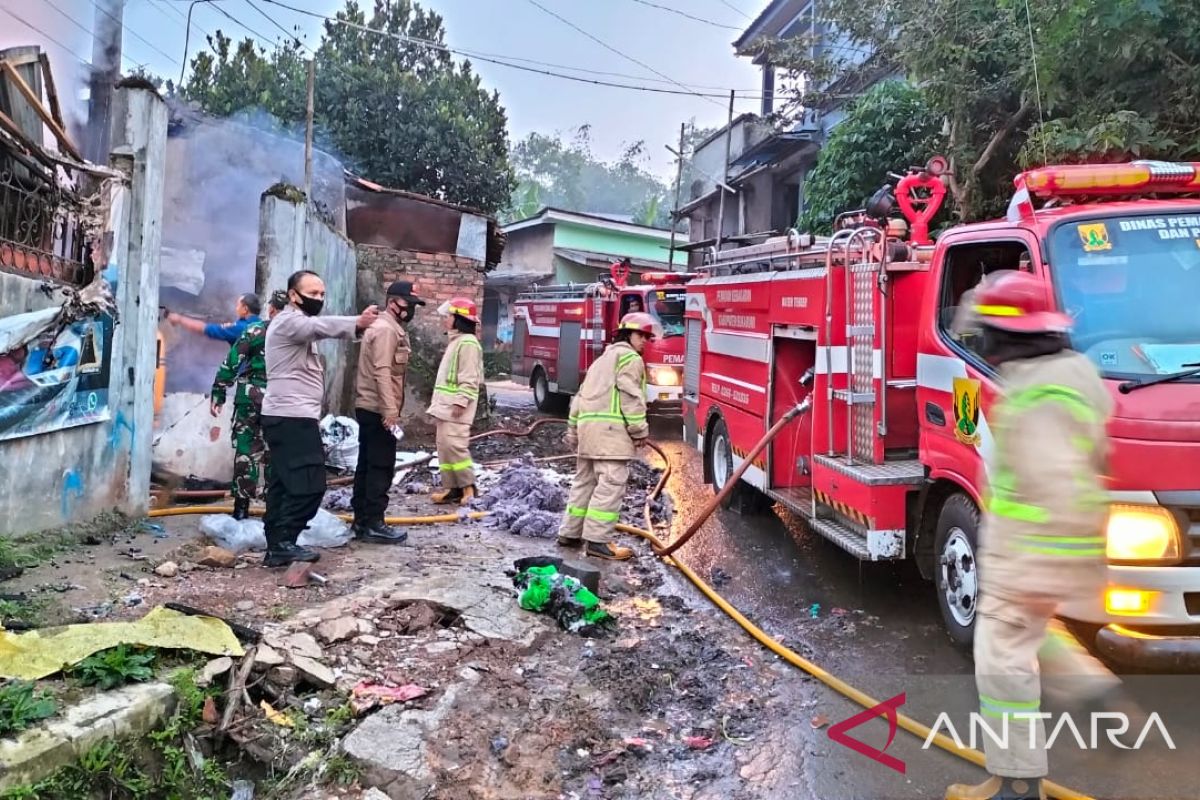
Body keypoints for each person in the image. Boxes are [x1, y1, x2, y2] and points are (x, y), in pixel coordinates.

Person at [946, 270, 1128, 800]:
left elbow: (1051, 482)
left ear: (1010, 336)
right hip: (1056, 548)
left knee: (1001, 660)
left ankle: (1019, 785)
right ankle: (1096, 693)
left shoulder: (1041, 395)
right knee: (1031, 637)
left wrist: (1025, 555)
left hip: (1031, 549)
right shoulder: (1070, 378)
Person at [260, 271, 379, 567]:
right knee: (310, 483)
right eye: (313, 293)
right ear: (293, 296)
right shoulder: (290, 321)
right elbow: (319, 326)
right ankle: (284, 540)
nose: (319, 299)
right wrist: (356, 323)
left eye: (322, 294)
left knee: (283, 483)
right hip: (290, 418)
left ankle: (277, 545)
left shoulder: (294, 324)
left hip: (288, 416)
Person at [556, 312, 658, 561]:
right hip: (611, 438)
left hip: (588, 433)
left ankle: (570, 533)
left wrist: (572, 429)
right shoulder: (630, 359)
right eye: (640, 335)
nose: (645, 340)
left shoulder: (601, 360)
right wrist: (639, 431)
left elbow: (579, 397)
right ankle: (598, 542)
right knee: (610, 486)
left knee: (583, 484)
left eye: (647, 336)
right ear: (627, 334)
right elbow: (631, 397)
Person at [350, 281, 425, 543]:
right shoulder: (386, 330)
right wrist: (390, 411)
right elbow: (382, 372)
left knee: (367, 465)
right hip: (378, 409)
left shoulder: (386, 327)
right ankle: (373, 523)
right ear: (393, 303)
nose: (411, 310)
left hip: (371, 407)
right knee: (380, 467)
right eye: (408, 305)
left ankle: (361, 521)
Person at [210, 290, 287, 520]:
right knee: (278, 453)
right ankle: (274, 511)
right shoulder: (297, 335)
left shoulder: (255, 331)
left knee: (247, 452)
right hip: (282, 401)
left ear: (271, 309)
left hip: (251, 399)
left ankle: (241, 510)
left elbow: (231, 363)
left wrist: (218, 393)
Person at [426, 297, 484, 506]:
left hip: (456, 407)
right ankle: (452, 489)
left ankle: (468, 488)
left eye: (449, 316)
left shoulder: (468, 343)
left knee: (456, 446)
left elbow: (469, 377)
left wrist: (461, 401)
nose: (446, 320)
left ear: (458, 318)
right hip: (445, 406)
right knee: (444, 447)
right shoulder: (457, 342)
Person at [168, 293, 261, 344]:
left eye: (237, 305)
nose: (236, 308)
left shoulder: (241, 328)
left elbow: (206, 329)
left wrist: (179, 319)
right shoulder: (263, 326)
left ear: (245, 309)